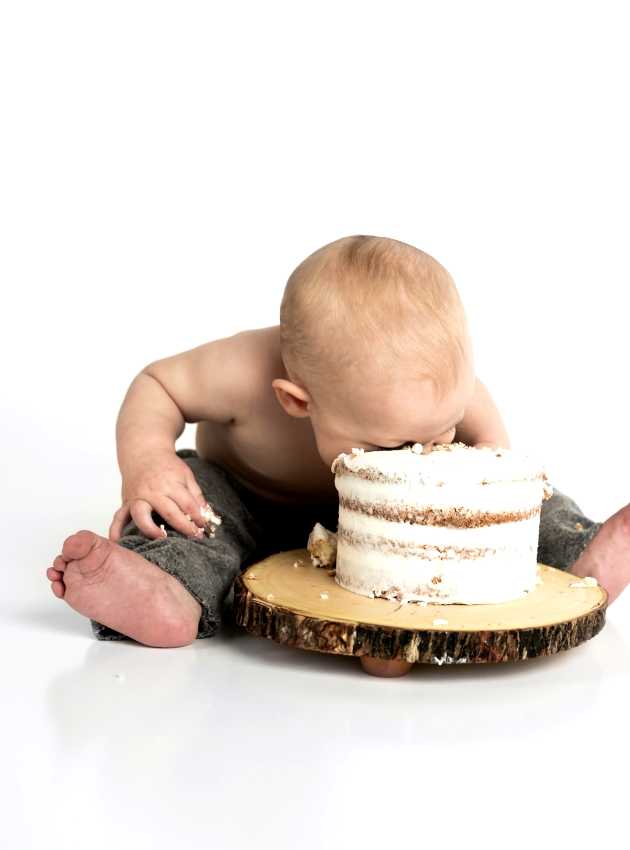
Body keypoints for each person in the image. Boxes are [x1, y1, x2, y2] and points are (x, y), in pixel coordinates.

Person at [46, 235, 629, 649]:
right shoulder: (240, 371)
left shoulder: (430, 390)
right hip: (249, 505)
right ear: (297, 401)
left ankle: (577, 556)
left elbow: (490, 443)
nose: (419, 454)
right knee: (193, 509)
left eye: (441, 430)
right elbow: (157, 385)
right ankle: (165, 592)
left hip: (399, 529)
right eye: (393, 444)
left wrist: (486, 484)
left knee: (530, 499)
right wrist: (147, 462)